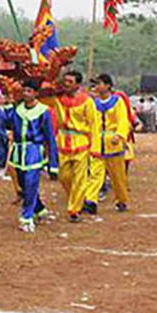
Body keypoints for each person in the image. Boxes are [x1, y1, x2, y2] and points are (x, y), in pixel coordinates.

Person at [3, 79, 58, 232]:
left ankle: (26, 216)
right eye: (24, 91)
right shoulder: (17, 109)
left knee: (31, 181)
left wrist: (53, 163)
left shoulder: (43, 111)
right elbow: (6, 123)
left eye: (29, 91)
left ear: (35, 93)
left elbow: (50, 138)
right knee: (23, 182)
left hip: (34, 150)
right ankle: (39, 209)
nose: (26, 94)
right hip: (18, 150)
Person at [50, 71, 98, 221]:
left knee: (80, 178)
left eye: (70, 82)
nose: (66, 84)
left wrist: (95, 147)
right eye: (65, 81)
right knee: (64, 176)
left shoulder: (87, 101)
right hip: (63, 142)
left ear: (78, 84)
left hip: (81, 142)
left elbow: (93, 124)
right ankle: (77, 197)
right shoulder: (57, 99)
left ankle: (74, 209)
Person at [86, 74, 132, 212]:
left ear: (107, 85)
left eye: (99, 83)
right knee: (95, 173)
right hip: (96, 143)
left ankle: (122, 200)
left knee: (117, 176)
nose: (96, 87)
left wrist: (119, 135)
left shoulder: (117, 101)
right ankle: (91, 201)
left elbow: (123, 120)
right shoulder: (92, 103)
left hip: (113, 143)